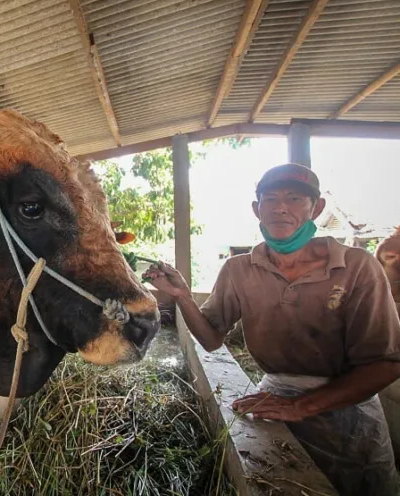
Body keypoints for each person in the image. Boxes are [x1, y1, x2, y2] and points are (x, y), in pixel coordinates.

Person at [143, 163, 400, 496]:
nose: (281, 207)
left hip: (349, 412)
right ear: (257, 209)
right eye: (270, 199)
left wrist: (302, 406)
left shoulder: (355, 267)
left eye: (294, 198)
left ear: (317, 208)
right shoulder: (239, 269)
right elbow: (210, 339)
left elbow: (387, 363)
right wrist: (182, 296)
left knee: (361, 484)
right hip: (274, 398)